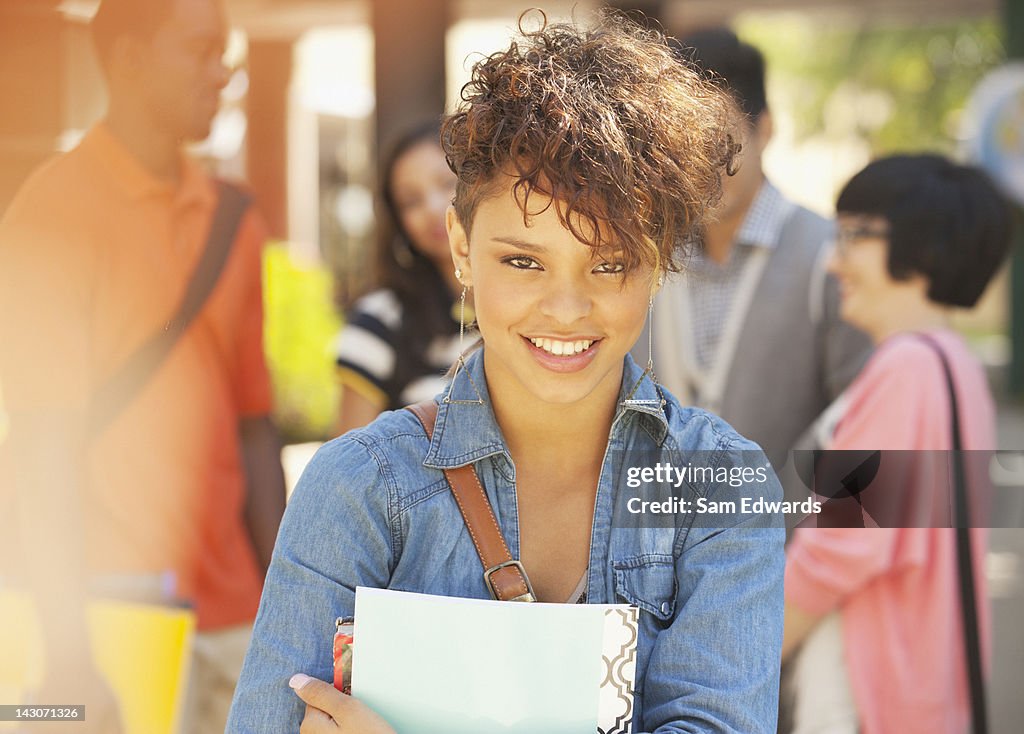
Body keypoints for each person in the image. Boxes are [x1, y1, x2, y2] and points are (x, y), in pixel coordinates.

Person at [227, 12, 785, 734]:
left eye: (609, 264)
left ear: (657, 263)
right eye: (523, 261)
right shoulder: (358, 488)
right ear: (461, 247)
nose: (566, 308)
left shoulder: (718, 486)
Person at [0, 0, 286, 731]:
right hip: (107, 614)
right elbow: (41, 445)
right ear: (127, 58)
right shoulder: (50, 215)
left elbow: (254, 427)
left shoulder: (235, 220)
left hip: (237, 614)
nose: (222, 72)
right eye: (199, 51)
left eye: (224, 52)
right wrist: (68, 653)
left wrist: (289, 605)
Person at [781, 154, 1011, 733]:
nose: (834, 261)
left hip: (871, 699)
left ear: (921, 246)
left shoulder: (907, 370)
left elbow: (842, 547)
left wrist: (738, 658)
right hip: (925, 688)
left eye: (854, 235)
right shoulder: (952, 365)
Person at [639, 28, 871, 470]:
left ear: (764, 129)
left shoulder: (828, 258)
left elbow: (859, 427)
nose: (703, 165)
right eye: (682, 144)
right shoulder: (646, 255)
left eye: (720, 142)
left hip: (788, 532)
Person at [333, 123, 463, 435]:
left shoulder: (529, 304)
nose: (432, 209)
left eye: (446, 184)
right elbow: (348, 463)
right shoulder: (380, 319)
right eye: (411, 201)